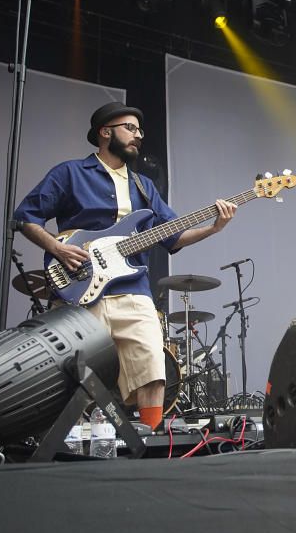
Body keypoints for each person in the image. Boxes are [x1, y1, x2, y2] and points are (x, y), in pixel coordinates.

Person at [13, 101, 237, 431]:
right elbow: (25, 217)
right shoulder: (71, 173)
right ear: (106, 132)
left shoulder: (144, 186)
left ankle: (149, 446)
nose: (138, 136)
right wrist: (56, 247)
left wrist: (214, 227)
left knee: (153, 368)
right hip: (81, 290)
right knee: (78, 376)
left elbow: (173, 237)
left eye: (139, 130)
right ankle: (73, 446)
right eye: (130, 128)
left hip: (133, 290)